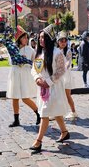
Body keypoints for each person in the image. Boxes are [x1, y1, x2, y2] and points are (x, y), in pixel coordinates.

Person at [30, 24, 70, 153]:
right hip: (42, 88)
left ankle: (39, 141)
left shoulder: (57, 53)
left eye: (43, 37)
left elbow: (61, 70)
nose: (41, 40)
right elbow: (34, 69)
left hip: (53, 87)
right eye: (39, 37)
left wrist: (48, 82)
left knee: (44, 113)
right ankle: (64, 132)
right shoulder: (39, 53)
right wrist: (37, 78)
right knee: (55, 112)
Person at [6, 25, 40, 127]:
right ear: (19, 38)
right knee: (14, 97)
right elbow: (10, 61)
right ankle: (16, 119)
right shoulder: (13, 49)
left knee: (25, 97)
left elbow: (35, 62)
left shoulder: (30, 50)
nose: (26, 39)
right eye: (24, 37)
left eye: (26, 37)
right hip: (15, 73)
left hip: (25, 74)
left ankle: (38, 113)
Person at [57, 31, 78, 120]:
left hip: (66, 75)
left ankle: (73, 112)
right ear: (58, 42)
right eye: (61, 41)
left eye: (65, 41)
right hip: (58, 75)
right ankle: (57, 112)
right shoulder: (56, 50)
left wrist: (64, 67)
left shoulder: (68, 51)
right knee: (57, 94)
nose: (63, 43)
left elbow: (68, 62)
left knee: (67, 95)